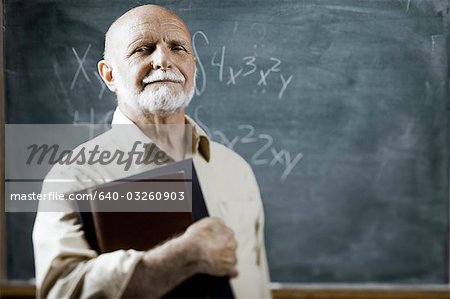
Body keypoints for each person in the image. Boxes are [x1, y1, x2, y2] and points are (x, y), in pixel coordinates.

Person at [33, 4, 271, 298]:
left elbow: (257, 282)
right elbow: (61, 291)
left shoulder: (234, 169)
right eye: (143, 49)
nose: (163, 60)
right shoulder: (75, 175)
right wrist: (176, 259)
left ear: (193, 65)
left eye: (178, 48)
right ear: (109, 75)